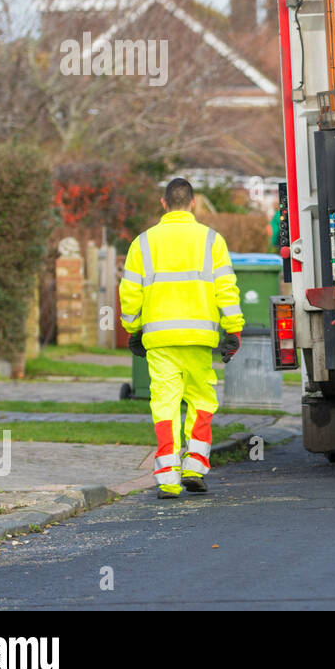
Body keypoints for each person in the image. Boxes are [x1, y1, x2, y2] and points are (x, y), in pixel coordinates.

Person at [119, 178, 243, 499]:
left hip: (160, 339)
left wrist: (133, 329)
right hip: (199, 339)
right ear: (193, 203)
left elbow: (129, 293)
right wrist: (233, 329)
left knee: (165, 404)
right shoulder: (211, 241)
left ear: (163, 203)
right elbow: (226, 290)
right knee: (202, 401)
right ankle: (195, 465)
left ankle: (168, 479)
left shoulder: (142, 243)